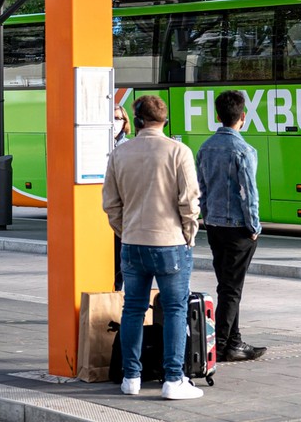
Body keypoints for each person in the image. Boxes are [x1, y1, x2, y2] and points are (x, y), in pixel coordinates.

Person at [102, 95, 204, 400]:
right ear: (165, 121)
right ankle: (173, 380)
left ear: (136, 120)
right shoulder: (178, 151)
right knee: (174, 309)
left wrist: (125, 230)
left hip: (132, 243)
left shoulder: (120, 154)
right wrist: (189, 235)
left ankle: (130, 377)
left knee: (133, 308)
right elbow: (189, 202)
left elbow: (110, 203)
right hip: (170, 242)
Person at [196, 90, 266, 362]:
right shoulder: (244, 150)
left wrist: (205, 216)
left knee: (226, 285)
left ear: (218, 116)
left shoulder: (205, 147)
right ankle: (222, 344)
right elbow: (248, 192)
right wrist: (254, 226)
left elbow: (201, 188)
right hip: (239, 228)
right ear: (243, 117)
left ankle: (234, 341)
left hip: (214, 226)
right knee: (231, 288)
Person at [112, 105, 131, 291]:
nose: (116, 122)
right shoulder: (97, 145)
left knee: (120, 260)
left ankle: (118, 291)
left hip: (122, 212)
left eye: (119, 118)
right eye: (113, 118)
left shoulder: (128, 147)